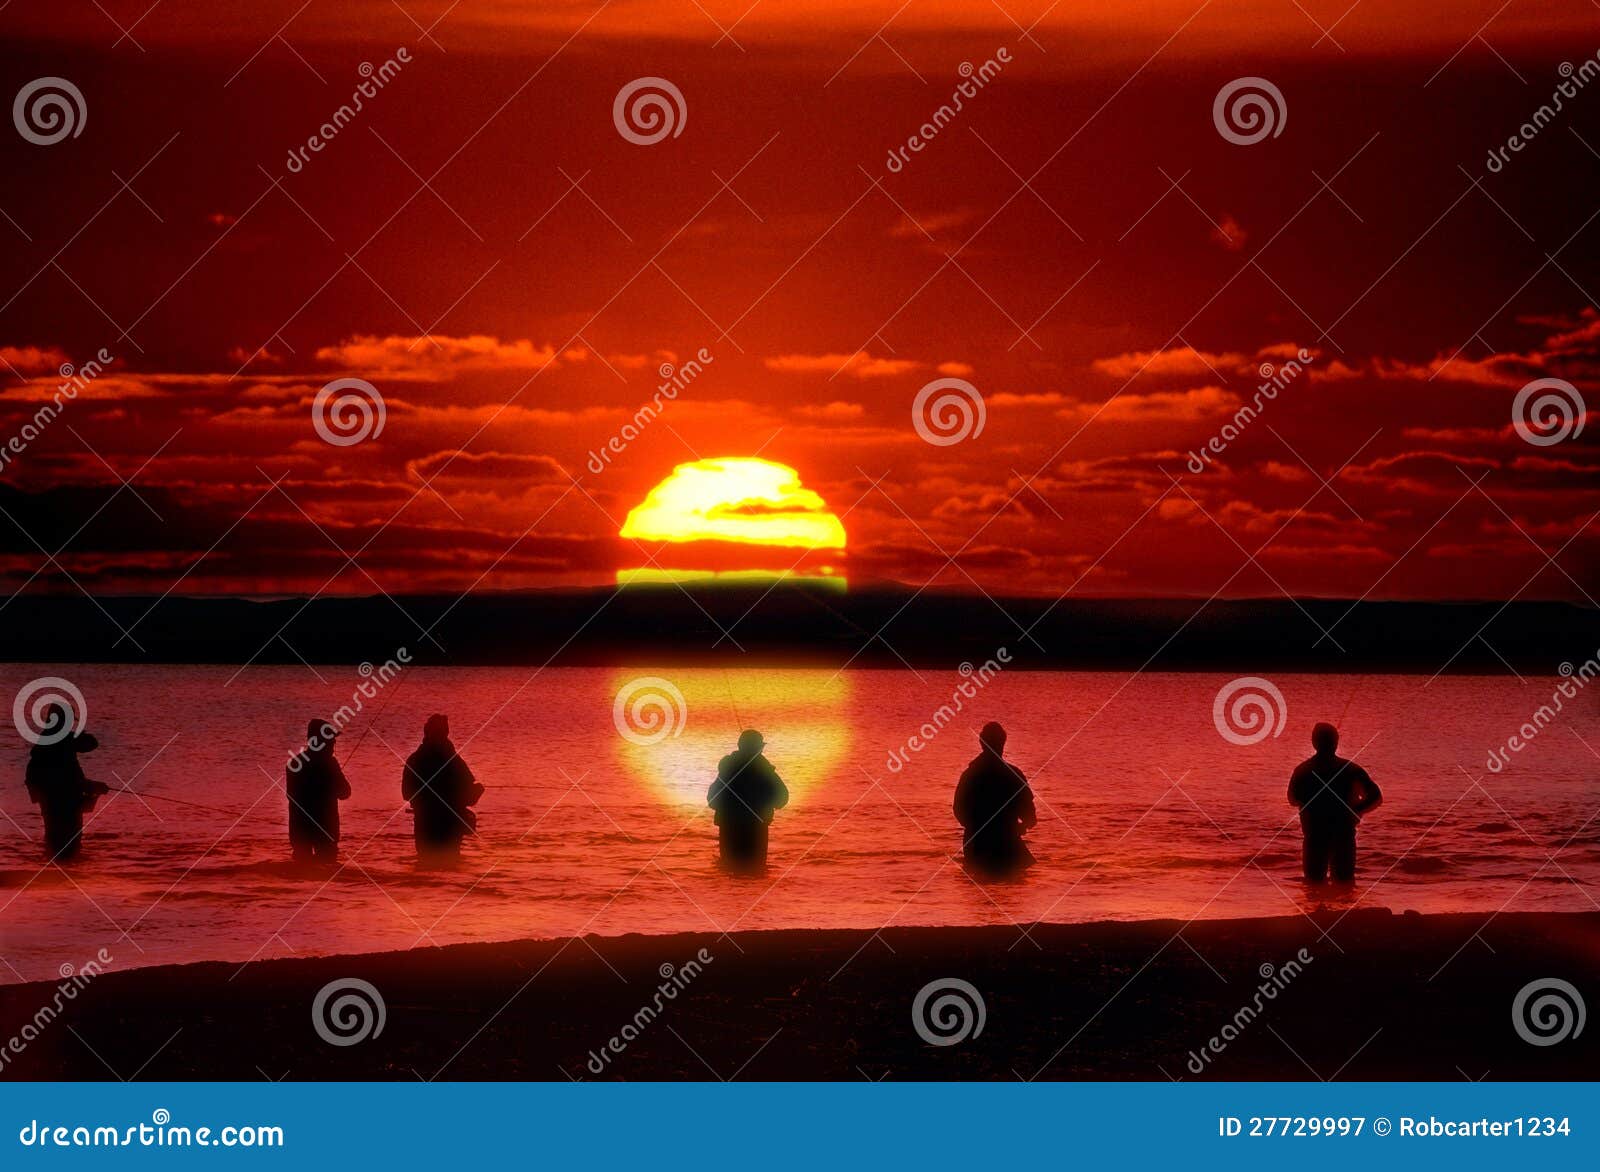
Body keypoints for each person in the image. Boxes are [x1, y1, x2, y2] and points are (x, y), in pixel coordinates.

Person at [1288, 722, 1382, 883]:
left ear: (1313, 742)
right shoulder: (1350, 769)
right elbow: (1375, 796)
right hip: (1341, 833)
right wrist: (1356, 809)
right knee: (1344, 883)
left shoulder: (1303, 770)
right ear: (1336, 743)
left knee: (1314, 884)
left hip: (1316, 835)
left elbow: (1292, 798)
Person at [24, 703, 109, 862]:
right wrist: (92, 786)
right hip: (66, 804)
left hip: (50, 803)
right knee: (70, 844)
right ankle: (66, 872)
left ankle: (54, 873)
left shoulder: (44, 741)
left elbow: (63, 777)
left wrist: (92, 785)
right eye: (69, 720)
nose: (70, 724)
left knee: (53, 841)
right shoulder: (64, 740)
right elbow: (91, 743)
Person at [954, 722, 1037, 876]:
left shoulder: (969, 775)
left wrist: (977, 828)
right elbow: (1030, 817)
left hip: (976, 844)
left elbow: (958, 810)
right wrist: (1020, 827)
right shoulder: (1014, 775)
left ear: (981, 743)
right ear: (1003, 744)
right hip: (1006, 843)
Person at [401, 714, 483, 861]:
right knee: (450, 867)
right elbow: (469, 797)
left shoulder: (414, 759)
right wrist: (478, 790)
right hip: (449, 825)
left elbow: (406, 794)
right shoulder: (455, 761)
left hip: (424, 824)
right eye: (441, 732)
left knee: (425, 865)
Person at [707, 729, 789, 871]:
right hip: (756, 827)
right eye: (760, 747)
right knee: (756, 871)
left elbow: (712, 800)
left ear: (740, 746)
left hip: (729, 827)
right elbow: (782, 798)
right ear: (758, 748)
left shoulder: (727, 770)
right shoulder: (765, 771)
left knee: (728, 870)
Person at [286, 718, 351, 863]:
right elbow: (345, 792)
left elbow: (292, 796)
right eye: (331, 742)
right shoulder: (331, 764)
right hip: (325, 831)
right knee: (327, 873)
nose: (333, 747)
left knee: (301, 875)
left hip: (300, 832)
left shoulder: (294, 764)